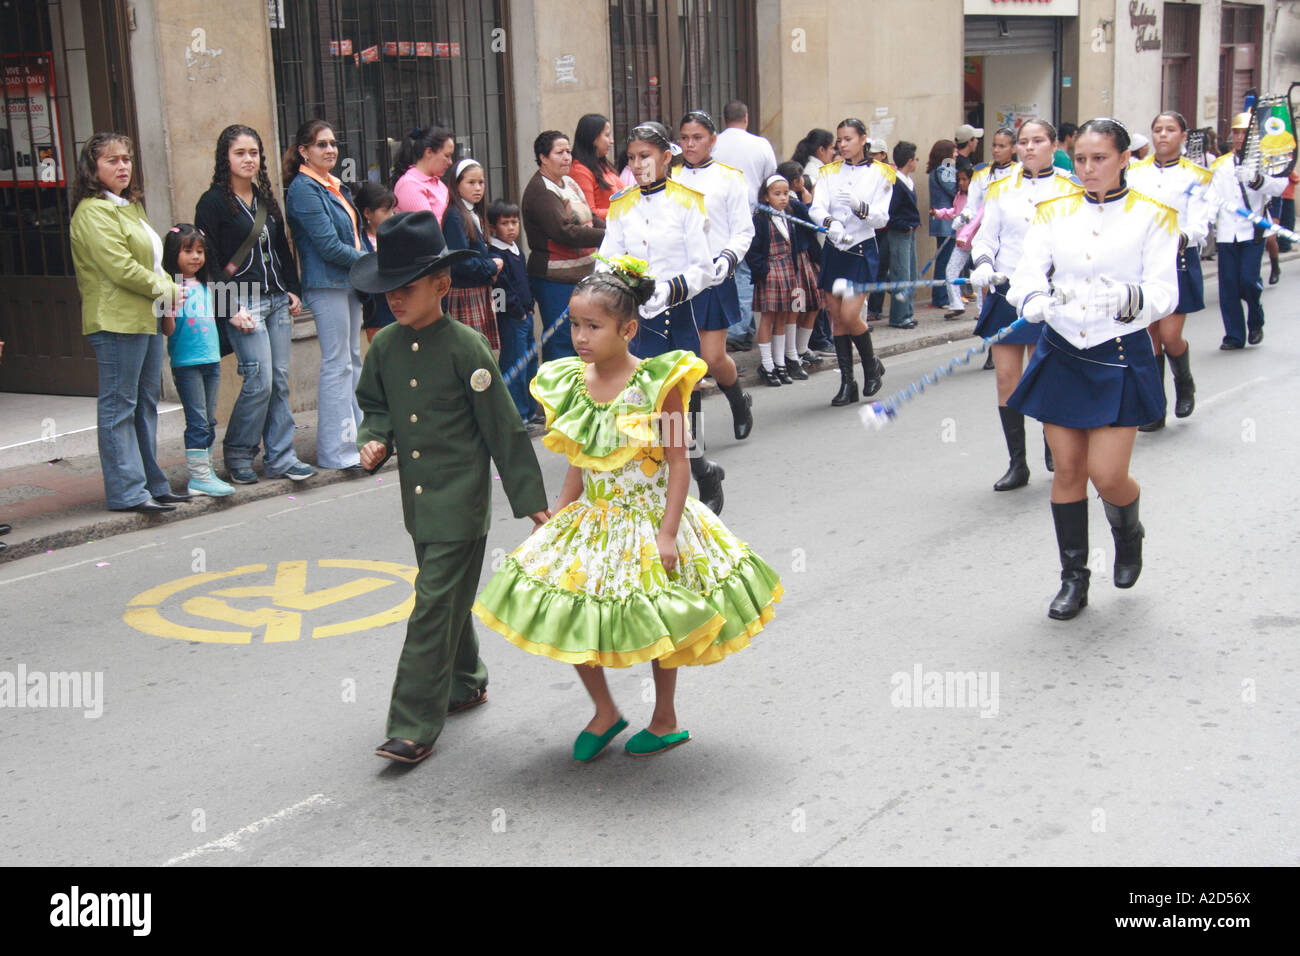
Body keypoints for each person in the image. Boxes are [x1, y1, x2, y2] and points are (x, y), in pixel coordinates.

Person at [470, 262, 782, 760]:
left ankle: (665, 719)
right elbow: (580, 456)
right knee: (569, 608)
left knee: (661, 618)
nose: (580, 337)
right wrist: (558, 516)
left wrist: (667, 533)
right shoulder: (571, 383)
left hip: (651, 519)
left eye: (593, 326)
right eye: (574, 324)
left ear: (628, 329)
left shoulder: (661, 386)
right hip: (594, 520)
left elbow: (679, 464)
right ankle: (605, 710)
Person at [351, 210, 550, 766]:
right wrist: (374, 439)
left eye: (406, 288)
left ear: (441, 285)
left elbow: (503, 428)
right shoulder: (386, 347)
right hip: (419, 503)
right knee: (447, 599)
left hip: (461, 504)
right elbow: (376, 407)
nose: (393, 298)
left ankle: (414, 722)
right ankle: (466, 680)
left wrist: (531, 503)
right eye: (387, 288)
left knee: (432, 605)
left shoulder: (467, 347)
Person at [1006, 117, 1178, 620]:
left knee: (1108, 475)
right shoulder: (1053, 210)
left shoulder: (1155, 215)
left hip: (1118, 352)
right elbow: (1027, 273)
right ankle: (1073, 579)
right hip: (1063, 349)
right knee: (1068, 472)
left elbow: (1166, 292)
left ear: (1125, 158)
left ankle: (1128, 531)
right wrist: (1032, 298)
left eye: (1099, 158)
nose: (1088, 168)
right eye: (1080, 158)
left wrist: (1131, 296)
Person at [596, 121, 725, 514]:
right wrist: (605, 287)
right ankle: (670, 483)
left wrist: (667, 290)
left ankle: (700, 470)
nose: (637, 165)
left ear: (666, 158)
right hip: (635, 322)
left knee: (681, 408)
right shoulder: (621, 205)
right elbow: (607, 258)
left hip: (675, 316)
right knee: (640, 411)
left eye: (645, 157)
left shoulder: (687, 200)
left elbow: (704, 268)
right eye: (632, 158)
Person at [69, 132, 187, 513]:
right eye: (112, 160)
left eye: (126, 159)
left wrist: (166, 289)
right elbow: (121, 269)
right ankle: (126, 491)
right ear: (93, 168)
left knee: (144, 405)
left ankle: (152, 482)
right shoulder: (92, 212)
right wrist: (168, 290)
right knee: (120, 406)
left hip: (145, 317)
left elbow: (151, 261)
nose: (122, 166)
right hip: (116, 320)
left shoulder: (128, 206)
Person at [195, 124, 314, 484]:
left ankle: (280, 457)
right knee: (258, 380)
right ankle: (238, 452)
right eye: (240, 153)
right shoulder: (212, 202)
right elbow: (209, 261)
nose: (248, 159)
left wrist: (293, 289)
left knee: (278, 380)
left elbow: (281, 248)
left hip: (277, 299)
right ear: (225, 158)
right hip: (242, 303)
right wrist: (229, 307)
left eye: (254, 153)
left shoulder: (264, 198)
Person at [969, 118, 1077, 491]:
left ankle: (1052, 441)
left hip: (1048, 295)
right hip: (1006, 291)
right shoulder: (1000, 188)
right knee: (1006, 379)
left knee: (1044, 374)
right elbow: (986, 237)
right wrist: (983, 262)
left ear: (1052, 146)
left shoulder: (1069, 188)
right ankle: (1018, 463)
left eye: (1038, 141)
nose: (1029, 148)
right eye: (1024, 142)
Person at [284, 119, 367, 471]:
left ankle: (361, 441)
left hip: (350, 281)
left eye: (333, 143)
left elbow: (351, 236)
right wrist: (372, 261)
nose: (330, 149)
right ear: (304, 151)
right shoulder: (303, 189)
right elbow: (328, 246)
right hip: (325, 284)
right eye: (321, 144)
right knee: (337, 364)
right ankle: (336, 451)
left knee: (352, 359)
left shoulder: (335, 185)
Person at [670, 110, 755, 441]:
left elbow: (743, 230)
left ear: (713, 139)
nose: (690, 144)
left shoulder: (729, 177)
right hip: (678, 279)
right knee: (686, 360)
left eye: (698, 137)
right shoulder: (670, 175)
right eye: (685, 138)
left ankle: (739, 400)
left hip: (714, 274)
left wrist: (728, 258)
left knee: (712, 357)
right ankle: (692, 438)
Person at [1127, 111, 1214, 428]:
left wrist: (1184, 236)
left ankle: (1184, 381)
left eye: (1170, 129)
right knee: (1150, 335)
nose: (1163, 135)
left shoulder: (1197, 176)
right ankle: (1155, 406)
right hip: (1143, 261)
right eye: (1157, 130)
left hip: (1177, 259)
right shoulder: (1134, 172)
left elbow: (1201, 223)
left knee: (1170, 334)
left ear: (1182, 135)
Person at [811, 117, 893, 407]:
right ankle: (848, 382)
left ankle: (871, 365)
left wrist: (860, 207)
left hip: (861, 247)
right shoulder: (828, 172)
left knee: (849, 315)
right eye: (840, 140)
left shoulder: (881, 173)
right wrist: (829, 222)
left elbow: (882, 217)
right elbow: (816, 206)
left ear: (863, 139)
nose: (843, 145)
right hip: (835, 247)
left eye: (848, 139)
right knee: (836, 317)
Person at [161, 224, 234, 498]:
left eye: (200, 251)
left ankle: (206, 471)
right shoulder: (167, 287)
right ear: (173, 254)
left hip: (211, 360)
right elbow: (166, 331)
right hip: (186, 363)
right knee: (198, 421)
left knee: (209, 420)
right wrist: (169, 307)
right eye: (188, 251)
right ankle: (199, 477)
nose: (195, 257)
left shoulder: (206, 285)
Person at [521, 130, 606, 361]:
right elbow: (563, 231)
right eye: (559, 153)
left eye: (568, 151)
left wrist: (606, 229)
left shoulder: (569, 182)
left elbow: (588, 215)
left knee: (583, 338)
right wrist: (604, 236)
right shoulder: (541, 190)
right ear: (543, 157)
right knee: (561, 340)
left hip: (583, 274)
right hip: (555, 279)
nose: (567, 157)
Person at [1211, 111, 1288, 349]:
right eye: (1236, 132)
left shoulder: (1264, 161)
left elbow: (1280, 186)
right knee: (1229, 287)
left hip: (1253, 230)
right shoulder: (1221, 164)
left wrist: (1257, 180)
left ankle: (1255, 318)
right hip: (1226, 232)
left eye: (1245, 133)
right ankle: (1234, 336)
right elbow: (1213, 197)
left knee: (1248, 281)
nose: (1239, 137)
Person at [712, 100, 778, 349]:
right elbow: (770, 177)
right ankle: (738, 329)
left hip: (720, 215)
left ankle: (742, 325)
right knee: (744, 273)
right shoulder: (760, 145)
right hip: (751, 214)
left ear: (724, 118)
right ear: (746, 117)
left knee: (731, 271)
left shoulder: (715, 145)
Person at [746, 174, 820, 385]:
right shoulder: (760, 219)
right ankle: (767, 364)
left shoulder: (789, 216)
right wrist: (762, 270)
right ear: (766, 196)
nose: (783, 198)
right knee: (768, 318)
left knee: (784, 317)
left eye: (786, 193)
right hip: (771, 272)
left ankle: (781, 363)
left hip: (788, 270)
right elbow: (754, 249)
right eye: (776, 194)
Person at [487, 199, 543, 424]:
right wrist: (516, 311)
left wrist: (529, 308)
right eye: (505, 223)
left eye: (514, 222)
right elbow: (501, 290)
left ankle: (530, 410)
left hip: (526, 315)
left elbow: (524, 281)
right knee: (514, 364)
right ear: (493, 227)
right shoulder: (495, 253)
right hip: (512, 318)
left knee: (530, 363)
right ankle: (515, 414)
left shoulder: (516, 249)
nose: (511, 227)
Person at [441, 157, 501, 351]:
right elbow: (460, 262)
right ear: (456, 185)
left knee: (480, 349)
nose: (478, 188)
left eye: (481, 182)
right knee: (469, 350)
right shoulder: (454, 215)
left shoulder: (474, 213)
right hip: (465, 292)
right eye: (471, 182)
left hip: (479, 290)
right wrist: (492, 266)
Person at [931, 156, 979, 318]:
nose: (961, 183)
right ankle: (956, 304)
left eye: (965, 180)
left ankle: (983, 309)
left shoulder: (978, 198)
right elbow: (955, 212)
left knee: (979, 276)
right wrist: (939, 213)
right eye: (959, 180)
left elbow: (975, 219)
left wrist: (964, 236)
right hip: (962, 244)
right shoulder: (959, 196)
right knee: (951, 271)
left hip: (977, 242)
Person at [353, 182, 398, 342]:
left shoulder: (397, 236)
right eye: (386, 211)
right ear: (367, 213)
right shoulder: (359, 242)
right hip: (378, 316)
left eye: (393, 209)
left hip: (401, 312)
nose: (392, 215)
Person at [885, 141, 921, 329]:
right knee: (901, 274)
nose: (916, 162)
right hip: (900, 232)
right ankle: (899, 316)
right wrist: (903, 225)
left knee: (911, 273)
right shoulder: (896, 183)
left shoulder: (908, 180)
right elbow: (890, 212)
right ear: (909, 161)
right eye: (915, 159)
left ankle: (908, 311)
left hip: (910, 230)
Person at [391, 126, 455, 221]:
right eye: (447, 156)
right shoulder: (409, 185)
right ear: (429, 152)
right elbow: (428, 228)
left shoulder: (439, 184)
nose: (450, 162)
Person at [569, 113, 623, 221]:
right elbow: (589, 213)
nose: (612, 141)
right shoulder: (580, 171)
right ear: (593, 138)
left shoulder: (603, 165)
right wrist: (623, 212)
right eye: (607, 135)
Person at [927, 140, 959, 310]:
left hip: (943, 221)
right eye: (953, 152)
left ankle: (942, 295)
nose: (956, 155)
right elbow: (954, 190)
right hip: (945, 221)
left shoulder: (938, 170)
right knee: (944, 260)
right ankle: (941, 297)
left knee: (944, 258)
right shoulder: (943, 170)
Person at [965, 127, 1018, 218]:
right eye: (994, 145)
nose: (996, 150)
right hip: (989, 228)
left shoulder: (1021, 172)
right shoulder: (981, 172)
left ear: (1013, 149)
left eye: (1001, 146)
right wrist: (963, 217)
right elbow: (971, 206)